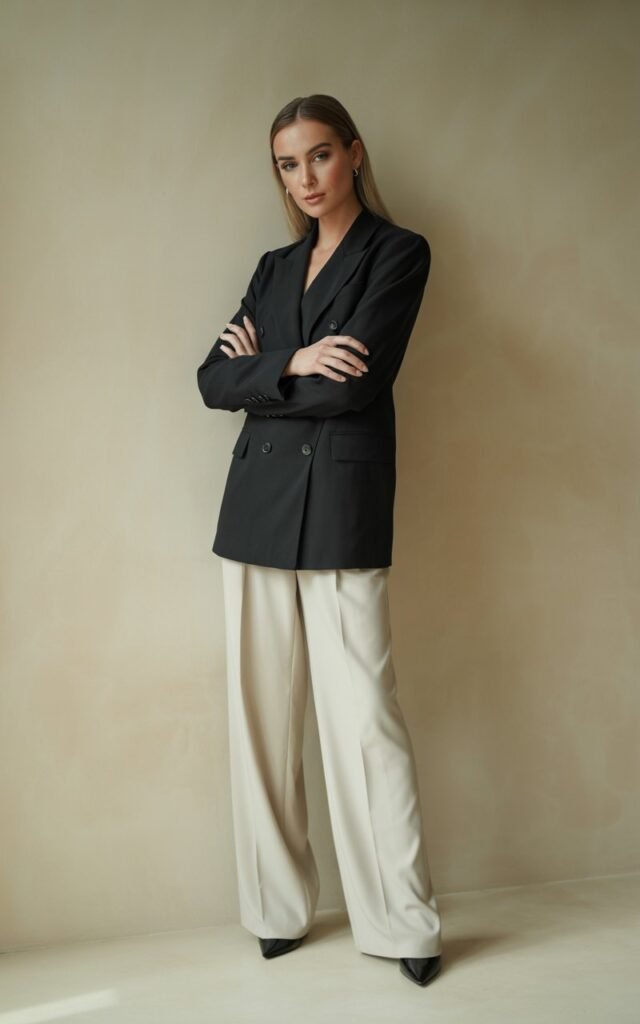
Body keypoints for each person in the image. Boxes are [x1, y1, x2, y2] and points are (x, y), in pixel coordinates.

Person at [196, 94, 442, 988]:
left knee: (363, 720)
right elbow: (209, 379)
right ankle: (275, 910)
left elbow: (356, 381)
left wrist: (263, 373)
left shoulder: (399, 252)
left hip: (339, 506)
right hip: (255, 507)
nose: (305, 179)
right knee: (261, 719)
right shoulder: (271, 268)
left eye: (320, 157)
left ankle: (402, 922)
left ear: (354, 155)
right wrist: (293, 361)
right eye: (288, 165)